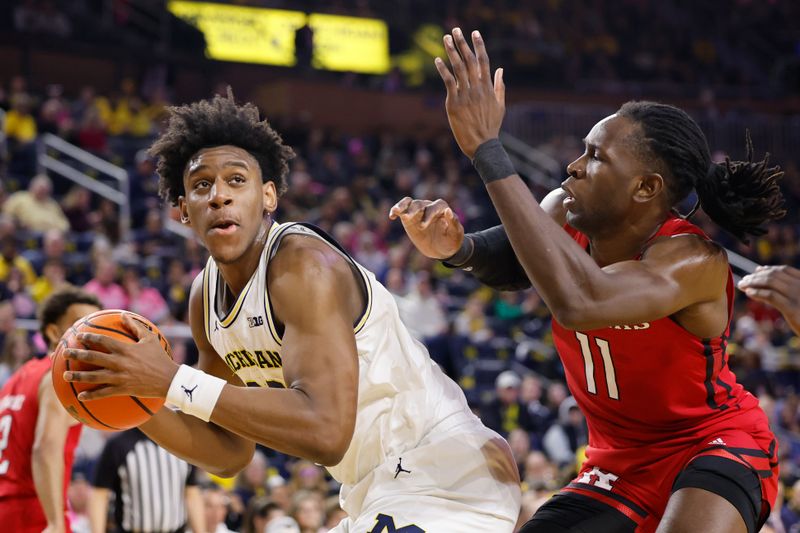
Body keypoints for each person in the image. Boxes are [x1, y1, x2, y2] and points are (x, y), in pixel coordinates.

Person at [63, 91, 521, 531]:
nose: (219, 195)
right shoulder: (205, 297)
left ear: (268, 197)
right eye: (202, 185)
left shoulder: (301, 262)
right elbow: (228, 452)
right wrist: (139, 397)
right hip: (375, 489)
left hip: (446, 473)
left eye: (236, 180)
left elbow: (325, 432)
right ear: (183, 210)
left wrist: (169, 381)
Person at [390, 28, 786, 533]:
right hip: (617, 461)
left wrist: (488, 150)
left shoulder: (691, 260)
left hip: (713, 443)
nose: (574, 167)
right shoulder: (563, 209)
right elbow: (514, 261)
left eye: (596, 157)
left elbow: (580, 300)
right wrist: (458, 248)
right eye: (583, 150)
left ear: (646, 188)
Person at [0, 286, 101, 533]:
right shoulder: (61, 378)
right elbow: (45, 448)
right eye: (83, 325)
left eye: (98, 327)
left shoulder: (18, 378)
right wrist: (54, 521)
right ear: (54, 331)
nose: (94, 336)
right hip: (34, 510)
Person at [88, 428, 204, 533]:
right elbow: (100, 495)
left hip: (176, 530)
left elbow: (191, 493)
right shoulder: (119, 445)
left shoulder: (182, 443)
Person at [738, 265, 800, 336]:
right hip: (757, 333)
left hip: (770, 336)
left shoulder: (776, 303)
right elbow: (751, 318)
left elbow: (777, 321)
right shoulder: (754, 304)